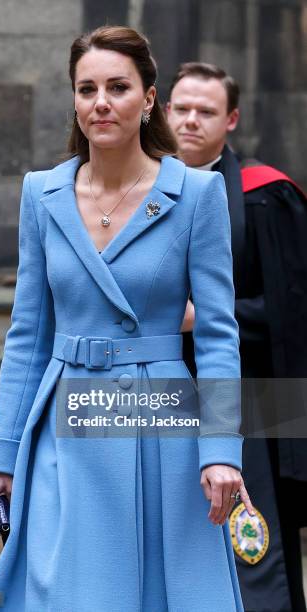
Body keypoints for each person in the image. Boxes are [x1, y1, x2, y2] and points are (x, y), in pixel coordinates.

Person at [0, 28, 254, 611]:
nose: (100, 102)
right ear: (74, 101)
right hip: (62, 420)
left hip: (160, 421)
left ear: (150, 98)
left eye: (118, 87)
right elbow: (27, 336)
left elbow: (219, 334)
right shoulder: (41, 194)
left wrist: (222, 448)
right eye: (87, 88)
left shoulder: (198, 194)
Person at [167, 61, 307, 612]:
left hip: (250, 399)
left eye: (207, 111)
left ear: (231, 119)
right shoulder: (126, 190)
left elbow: (292, 310)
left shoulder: (266, 197)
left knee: (253, 553)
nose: (192, 121)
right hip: (151, 397)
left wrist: (204, 319)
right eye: (183, 108)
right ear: (161, 109)